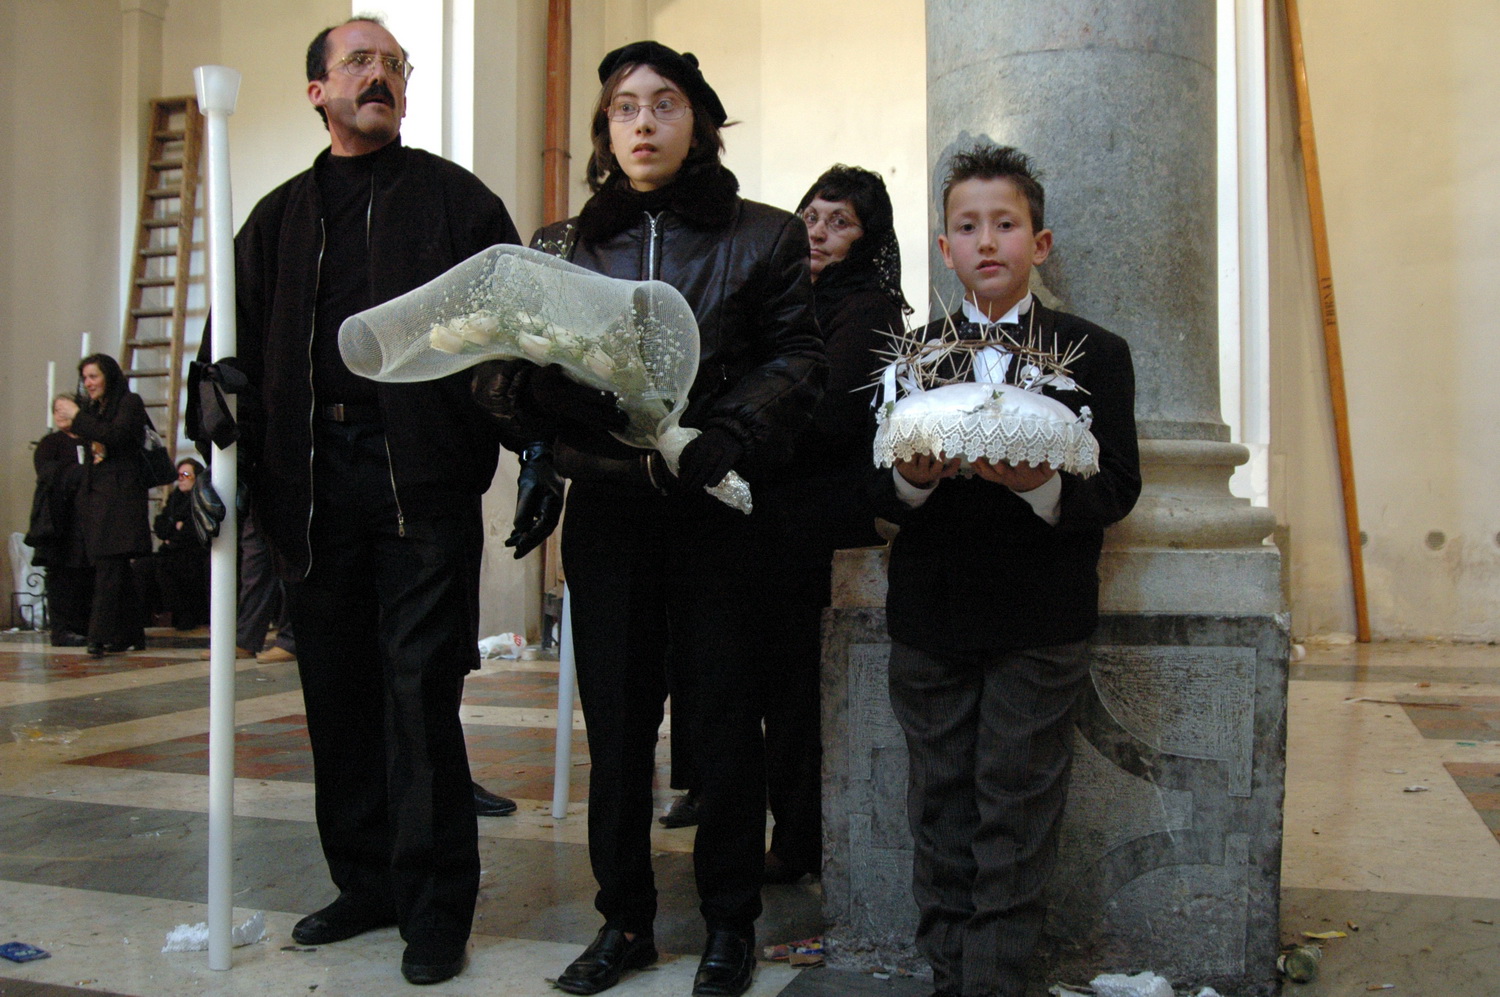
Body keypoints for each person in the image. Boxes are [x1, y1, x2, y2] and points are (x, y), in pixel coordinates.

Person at [474, 41, 824, 997]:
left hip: (713, 512)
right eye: (624, 107)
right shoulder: (562, 246)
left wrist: (736, 429)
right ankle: (623, 919)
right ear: (605, 128)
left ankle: (728, 924)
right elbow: (496, 372)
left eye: (663, 104)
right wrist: (539, 401)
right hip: (613, 517)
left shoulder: (763, 235)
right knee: (618, 728)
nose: (641, 123)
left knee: (720, 725)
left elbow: (799, 357)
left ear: (697, 123)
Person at [192, 16, 520, 986]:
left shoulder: (459, 204)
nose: (380, 76)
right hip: (306, 487)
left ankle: (433, 907)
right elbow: (227, 352)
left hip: (416, 480)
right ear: (317, 93)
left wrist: (510, 445)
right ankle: (366, 881)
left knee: (420, 698)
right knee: (334, 697)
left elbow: (513, 337)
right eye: (359, 63)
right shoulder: (276, 219)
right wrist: (202, 438)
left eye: (393, 65)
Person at [870, 144, 1141, 997]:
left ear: (1041, 241)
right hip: (931, 616)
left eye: (1005, 224)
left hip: (1039, 618)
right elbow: (866, 483)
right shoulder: (910, 359)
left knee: (1016, 812)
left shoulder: (1095, 352)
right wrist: (910, 480)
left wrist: (1045, 485)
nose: (987, 241)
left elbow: (1121, 485)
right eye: (966, 226)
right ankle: (951, 974)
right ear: (943, 248)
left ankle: (994, 982)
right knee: (940, 807)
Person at [758, 165, 911, 885]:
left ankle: (800, 838)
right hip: (769, 505)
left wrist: (746, 418)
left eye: (839, 222)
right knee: (768, 680)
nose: (818, 232)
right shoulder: (779, 294)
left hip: (817, 516)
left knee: (796, 685)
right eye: (812, 215)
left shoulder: (870, 307)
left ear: (868, 237)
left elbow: (827, 414)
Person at [54, 355, 151, 657]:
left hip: (120, 500)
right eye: (84, 378)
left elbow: (117, 435)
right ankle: (132, 633)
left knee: (110, 566)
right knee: (115, 566)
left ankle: (98, 635)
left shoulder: (129, 402)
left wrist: (78, 417)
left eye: (93, 376)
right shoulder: (95, 409)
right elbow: (97, 441)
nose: (88, 383)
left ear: (108, 376)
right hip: (98, 499)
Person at [28, 395, 92, 646]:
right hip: (58, 521)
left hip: (85, 519)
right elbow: (48, 473)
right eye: (56, 409)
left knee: (86, 576)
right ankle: (62, 628)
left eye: (65, 409)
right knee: (61, 577)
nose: (60, 414)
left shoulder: (90, 441)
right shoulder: (50, 443)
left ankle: (84, 625)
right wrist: (81, 473)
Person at [134, 458, 209, 630]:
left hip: (193, 553)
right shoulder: (175, 498)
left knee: (167, 567)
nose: (180, 479)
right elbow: (160, 525)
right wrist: (175, 526)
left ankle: (182, 616)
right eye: (179, 475)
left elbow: (191, 531)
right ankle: (141, 620)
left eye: (185, 475)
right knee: (142, 566)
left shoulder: (202, 498)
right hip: (171, 550)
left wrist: (174, 531)